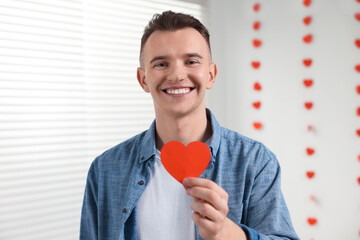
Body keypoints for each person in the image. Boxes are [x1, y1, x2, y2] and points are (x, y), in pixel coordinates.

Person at [80, 11, 299, 240]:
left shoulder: (256, 162)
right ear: (143, 79)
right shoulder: (104, 170)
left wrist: (226, 232)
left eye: (191, 61)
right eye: (161, 63)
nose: (176, 74)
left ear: (211, 75)